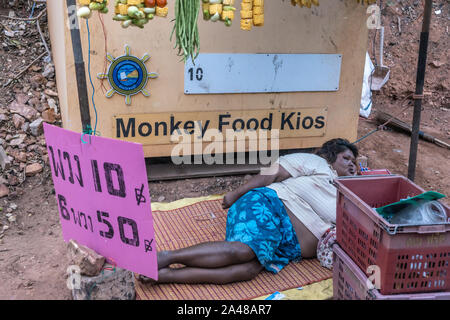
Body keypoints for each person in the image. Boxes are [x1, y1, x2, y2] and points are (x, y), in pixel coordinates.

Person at [139, 138, 358, 284]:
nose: (352, 165)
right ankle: (165, 257)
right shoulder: (317, 164)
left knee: (248, 271)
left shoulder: (350, 196)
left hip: (286, 245)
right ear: (330, 156)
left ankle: (166, 276)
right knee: (244, 251)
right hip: (270, 207)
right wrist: (236, 193)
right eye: (346, 158)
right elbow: (271, 174)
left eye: (354, 163)